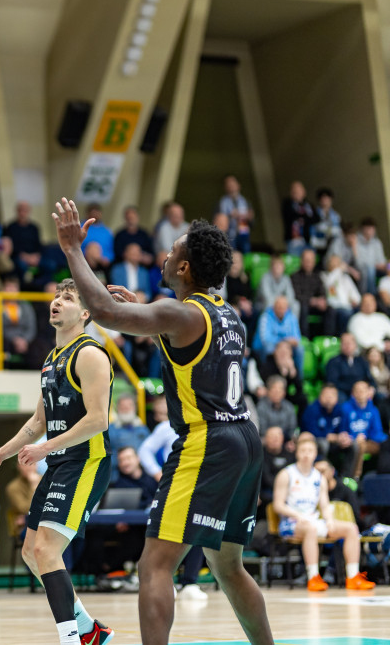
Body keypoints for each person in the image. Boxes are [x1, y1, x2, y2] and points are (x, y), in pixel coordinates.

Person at [53, 201, 274, 645]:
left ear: (185, 267)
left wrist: (73, 250)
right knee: (228, 567)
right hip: (245, 440)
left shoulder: (180, 313)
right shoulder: (227, 315)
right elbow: (191, 357)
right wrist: (151, 321)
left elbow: (105, 313)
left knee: (154, 565)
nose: (166, 256)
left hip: (208, 440)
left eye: (173, 252)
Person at [0, 278, 115, 645]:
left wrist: (45, 448)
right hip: (59, 463)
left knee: (46, 551)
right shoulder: (52, 358)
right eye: (56, 296)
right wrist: (1, 454)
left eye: (67, 298)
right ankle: (89, 630)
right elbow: (38, 421)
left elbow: (98, 419)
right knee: (30, 553)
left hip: (86, 462)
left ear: (84, 313)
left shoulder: (91, 354)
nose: (57, 302)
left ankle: (70, 639)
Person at [273, 432, 375, 591]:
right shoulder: (286, 474)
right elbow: (278, 505)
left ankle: (353, 577)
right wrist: (298, 515)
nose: (306, 454)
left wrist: (329, 520)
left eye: (310, 451)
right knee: (310, 529)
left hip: (313, 521)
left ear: (315, 454)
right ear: (297, 453)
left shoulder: (319, 478)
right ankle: (313, 577)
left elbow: (325, 505)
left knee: (350, 528)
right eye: (303, 451)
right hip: (291, 523)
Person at [338, 380, 387, 479]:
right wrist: (354, 437)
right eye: (357, 391)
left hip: (369, 442)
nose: (360, 393)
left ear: (368, 392)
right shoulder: (345, 408)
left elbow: (378, 432)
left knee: (384, 444)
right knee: (359, 444)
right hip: (351, 442)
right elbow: (342, 430)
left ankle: (384, 475)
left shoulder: (373, 410)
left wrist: (366, 437)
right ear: (353, 393)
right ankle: (355, 477)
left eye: (363, 391)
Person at [300, 383, 347, 459]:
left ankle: (350, 467)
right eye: (326, 395)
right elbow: (312, 433)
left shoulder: (340, 410)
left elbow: (343, 428)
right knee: (323, 443)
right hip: (315, 441)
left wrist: (343, 437)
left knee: (352, 444)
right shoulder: (312, 410)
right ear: (320, 396)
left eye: (332, 395)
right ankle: (321, 465)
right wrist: (331, 437)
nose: (329, 398)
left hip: (335, 441)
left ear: (337, 398)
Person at [326, 332, 373, 401]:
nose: (347, 346)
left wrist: (371, 388)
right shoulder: (334, 361)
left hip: (362, 391)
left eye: (350, 343)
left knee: (380, 396)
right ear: (340, 345)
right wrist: (354, 389)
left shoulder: (362, 361)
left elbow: (370, 378)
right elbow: (332, 382)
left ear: (355, 345)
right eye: (344, 343)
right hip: (343, 392)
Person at [217, 175, 253, 253]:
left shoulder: (245, 202)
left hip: (243, 234)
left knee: (246, 254)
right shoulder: (222, 203)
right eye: (229, 185)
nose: (231, 187)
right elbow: (218, 222)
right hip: (229, 235)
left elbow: (252, 220)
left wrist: (247, 216)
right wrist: (230, 216)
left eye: (233, 184)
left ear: (238, 185)